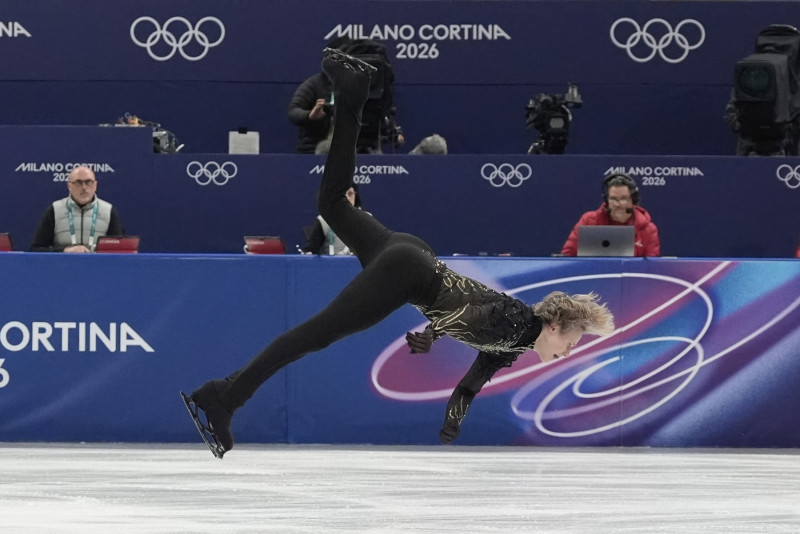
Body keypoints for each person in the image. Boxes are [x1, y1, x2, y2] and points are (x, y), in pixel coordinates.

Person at [182, 48, 616, 458]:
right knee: (314, 335)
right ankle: (225, 398)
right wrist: (433, 333)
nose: (568, 352)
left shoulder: (511, 347)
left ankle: (352, 91)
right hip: (410, 273)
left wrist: (453, 420)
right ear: (555, 323)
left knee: (332, 204)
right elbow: (473, 311)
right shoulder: (519, 321)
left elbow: (468, 383)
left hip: (411, 256)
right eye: (572, 342)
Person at [560, 173, 660, 257]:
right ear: (606, 200)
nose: (617, 204)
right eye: (613, 199)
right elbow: (567, 256)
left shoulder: (648, 229)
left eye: (623, 198)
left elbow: (652, 267)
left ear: (634, 199)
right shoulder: (588, 221)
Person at [29, 166, 124, 253]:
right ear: (69, 186)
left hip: (98, 268)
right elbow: (36, 249)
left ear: (95, 185)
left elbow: (119, 250)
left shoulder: (108, 210)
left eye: (88, 182)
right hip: (62, 267)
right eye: (78, 182)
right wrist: (65, 250)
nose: (84, 187)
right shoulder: (54, 210)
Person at [301, 184, 365, 255]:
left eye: (350, 194)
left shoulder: (366, 219)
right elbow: (311, 248)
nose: (347, 198)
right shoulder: (324, 220)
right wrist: (308, 254)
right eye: (342, 194)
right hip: (332, 265)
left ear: (356, 195)